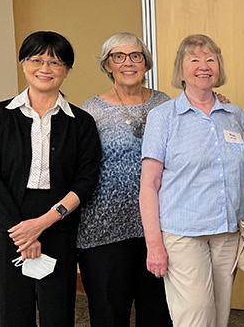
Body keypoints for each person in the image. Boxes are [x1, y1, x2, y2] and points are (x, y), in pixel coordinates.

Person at [0, 31, 101, 326]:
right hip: (9, 222)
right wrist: (22, 231)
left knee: (57, 307)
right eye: (37, 59)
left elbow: (86, 179)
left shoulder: (81, 123)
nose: (45, 68)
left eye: (56, 62)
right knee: (12, 306)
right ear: (23, 63)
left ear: (67, 70)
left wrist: (44, 222)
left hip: (59, 220)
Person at [140, 34, 244, 327]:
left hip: (228, 231)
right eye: (194, 59)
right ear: (181, 69)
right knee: (195, 316)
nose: (203, 66)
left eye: (210, 59)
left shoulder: (234, 115)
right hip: (183, 233)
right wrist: (154, 244)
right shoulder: (163, 117)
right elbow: (149, 185)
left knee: (218, 316)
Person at [77, 33, 172, 326]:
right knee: (109, 310)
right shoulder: (90, 110)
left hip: (158, 226)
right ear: (107, 65)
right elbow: (79, 167)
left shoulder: (165, 104)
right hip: (103, 228)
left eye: (136, 56)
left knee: (157, 310)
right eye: (118, 56)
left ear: (146, 63)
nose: (128, 63)